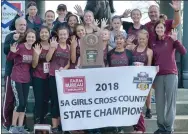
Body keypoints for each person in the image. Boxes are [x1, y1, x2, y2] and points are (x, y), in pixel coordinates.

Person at [151, 21, 186, 134]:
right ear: (155, 29)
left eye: (161, 27)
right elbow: (152, 60)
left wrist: (176, 40)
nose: (159, 29)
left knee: (170, 102)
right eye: (157, 28)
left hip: (171, 74)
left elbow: (183, 51)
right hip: (158, 76)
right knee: (159, 102)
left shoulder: (171, 39)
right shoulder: (153, 42)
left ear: (165, 29)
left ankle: (168, 128)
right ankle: (161, 127)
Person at [7, 29, 36, 133]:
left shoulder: (33, 49)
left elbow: (33, 65)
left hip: (26, 79)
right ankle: (13, 127)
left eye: (33, 37)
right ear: (26, 37)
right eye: (29, 36)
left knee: (24, 104)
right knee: (20, 103)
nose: (31, 38)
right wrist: (12, 52)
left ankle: (20, 127)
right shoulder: (20, 46)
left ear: (35, 39)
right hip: (16, 77)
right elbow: (10, 58)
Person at [2, 17, 27, 131]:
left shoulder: (28, 36)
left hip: (24, 74)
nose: (22, 27)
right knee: (9, 99)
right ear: (16, 26)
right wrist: (13, 40)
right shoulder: (10, 36)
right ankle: (6, 122)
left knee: (21, 100)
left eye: (24, 25)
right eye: (20, 25)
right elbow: (6, 50)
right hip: (11, 72)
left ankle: (21, 124)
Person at [126, 29, 153, 133]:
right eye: (140, 38)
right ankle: (136, 127)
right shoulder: (133, 48)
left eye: (143, 39)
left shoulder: (149, 51)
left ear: (147, 39)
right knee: (134, 103)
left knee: (140, 102)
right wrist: (127, 42)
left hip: (143, 78)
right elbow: (122, 48)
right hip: (132, 78)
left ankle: (141, 127)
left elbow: (149, 66)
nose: (141, 40)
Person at [46, 27, 70, 133]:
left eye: (65, 34)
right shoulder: (55, 44)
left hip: (63, 78)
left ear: (68, 35)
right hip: (53, 76)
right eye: (61, 34)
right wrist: (51, 48)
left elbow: (69, 63)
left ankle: (61, 126)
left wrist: (64, 69)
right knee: (55, 101)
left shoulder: (69, 46)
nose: (63, 36)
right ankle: (55, 126)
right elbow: (47, 59)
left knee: (63, 102)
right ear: (58, 35)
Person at [32, 26, 51, 124]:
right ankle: (37, 122)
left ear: (49, 33)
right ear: (39, 34)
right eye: (42, 32)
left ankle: (44, 122)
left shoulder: (53, 44)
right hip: (38, 76)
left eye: (46, 32)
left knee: (46, 100)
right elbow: (34, 65)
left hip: (50, 77)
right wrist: (37, 54)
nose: (44, 34)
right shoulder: (36, 45)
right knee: (39, 100)